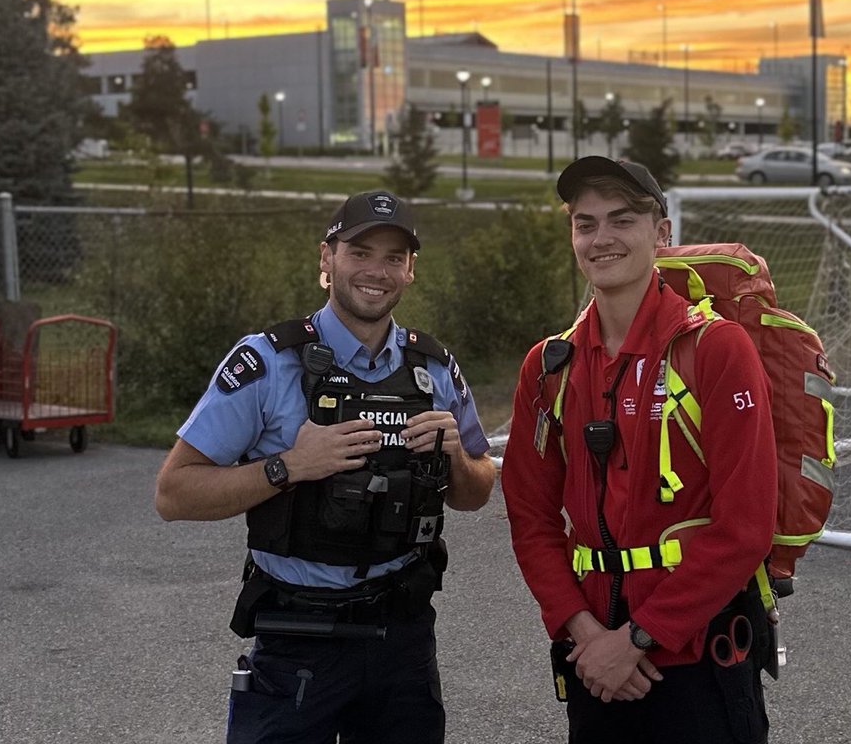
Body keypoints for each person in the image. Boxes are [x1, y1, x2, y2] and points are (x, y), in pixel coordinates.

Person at [155, 189, 496, 743]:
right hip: (297, 638)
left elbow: (476, 491)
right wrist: (287, 466)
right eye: (360, 252)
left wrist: (457, 455)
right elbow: (173, 493)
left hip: (401, 637)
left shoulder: (432, 367)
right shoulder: (267, 362)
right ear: (326, 259)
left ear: (410, 271)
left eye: (393, 258)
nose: (376, 271)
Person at [501, 157, 778, 744]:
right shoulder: (549, 366)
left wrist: (637, 638)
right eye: (585, 223)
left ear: (661, 232)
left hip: (698, 661)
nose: (601, 239)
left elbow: (746, 526)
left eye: (621, 220)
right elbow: (530, 516)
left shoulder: (716, 349)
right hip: (593, 664)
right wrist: (585, 635)